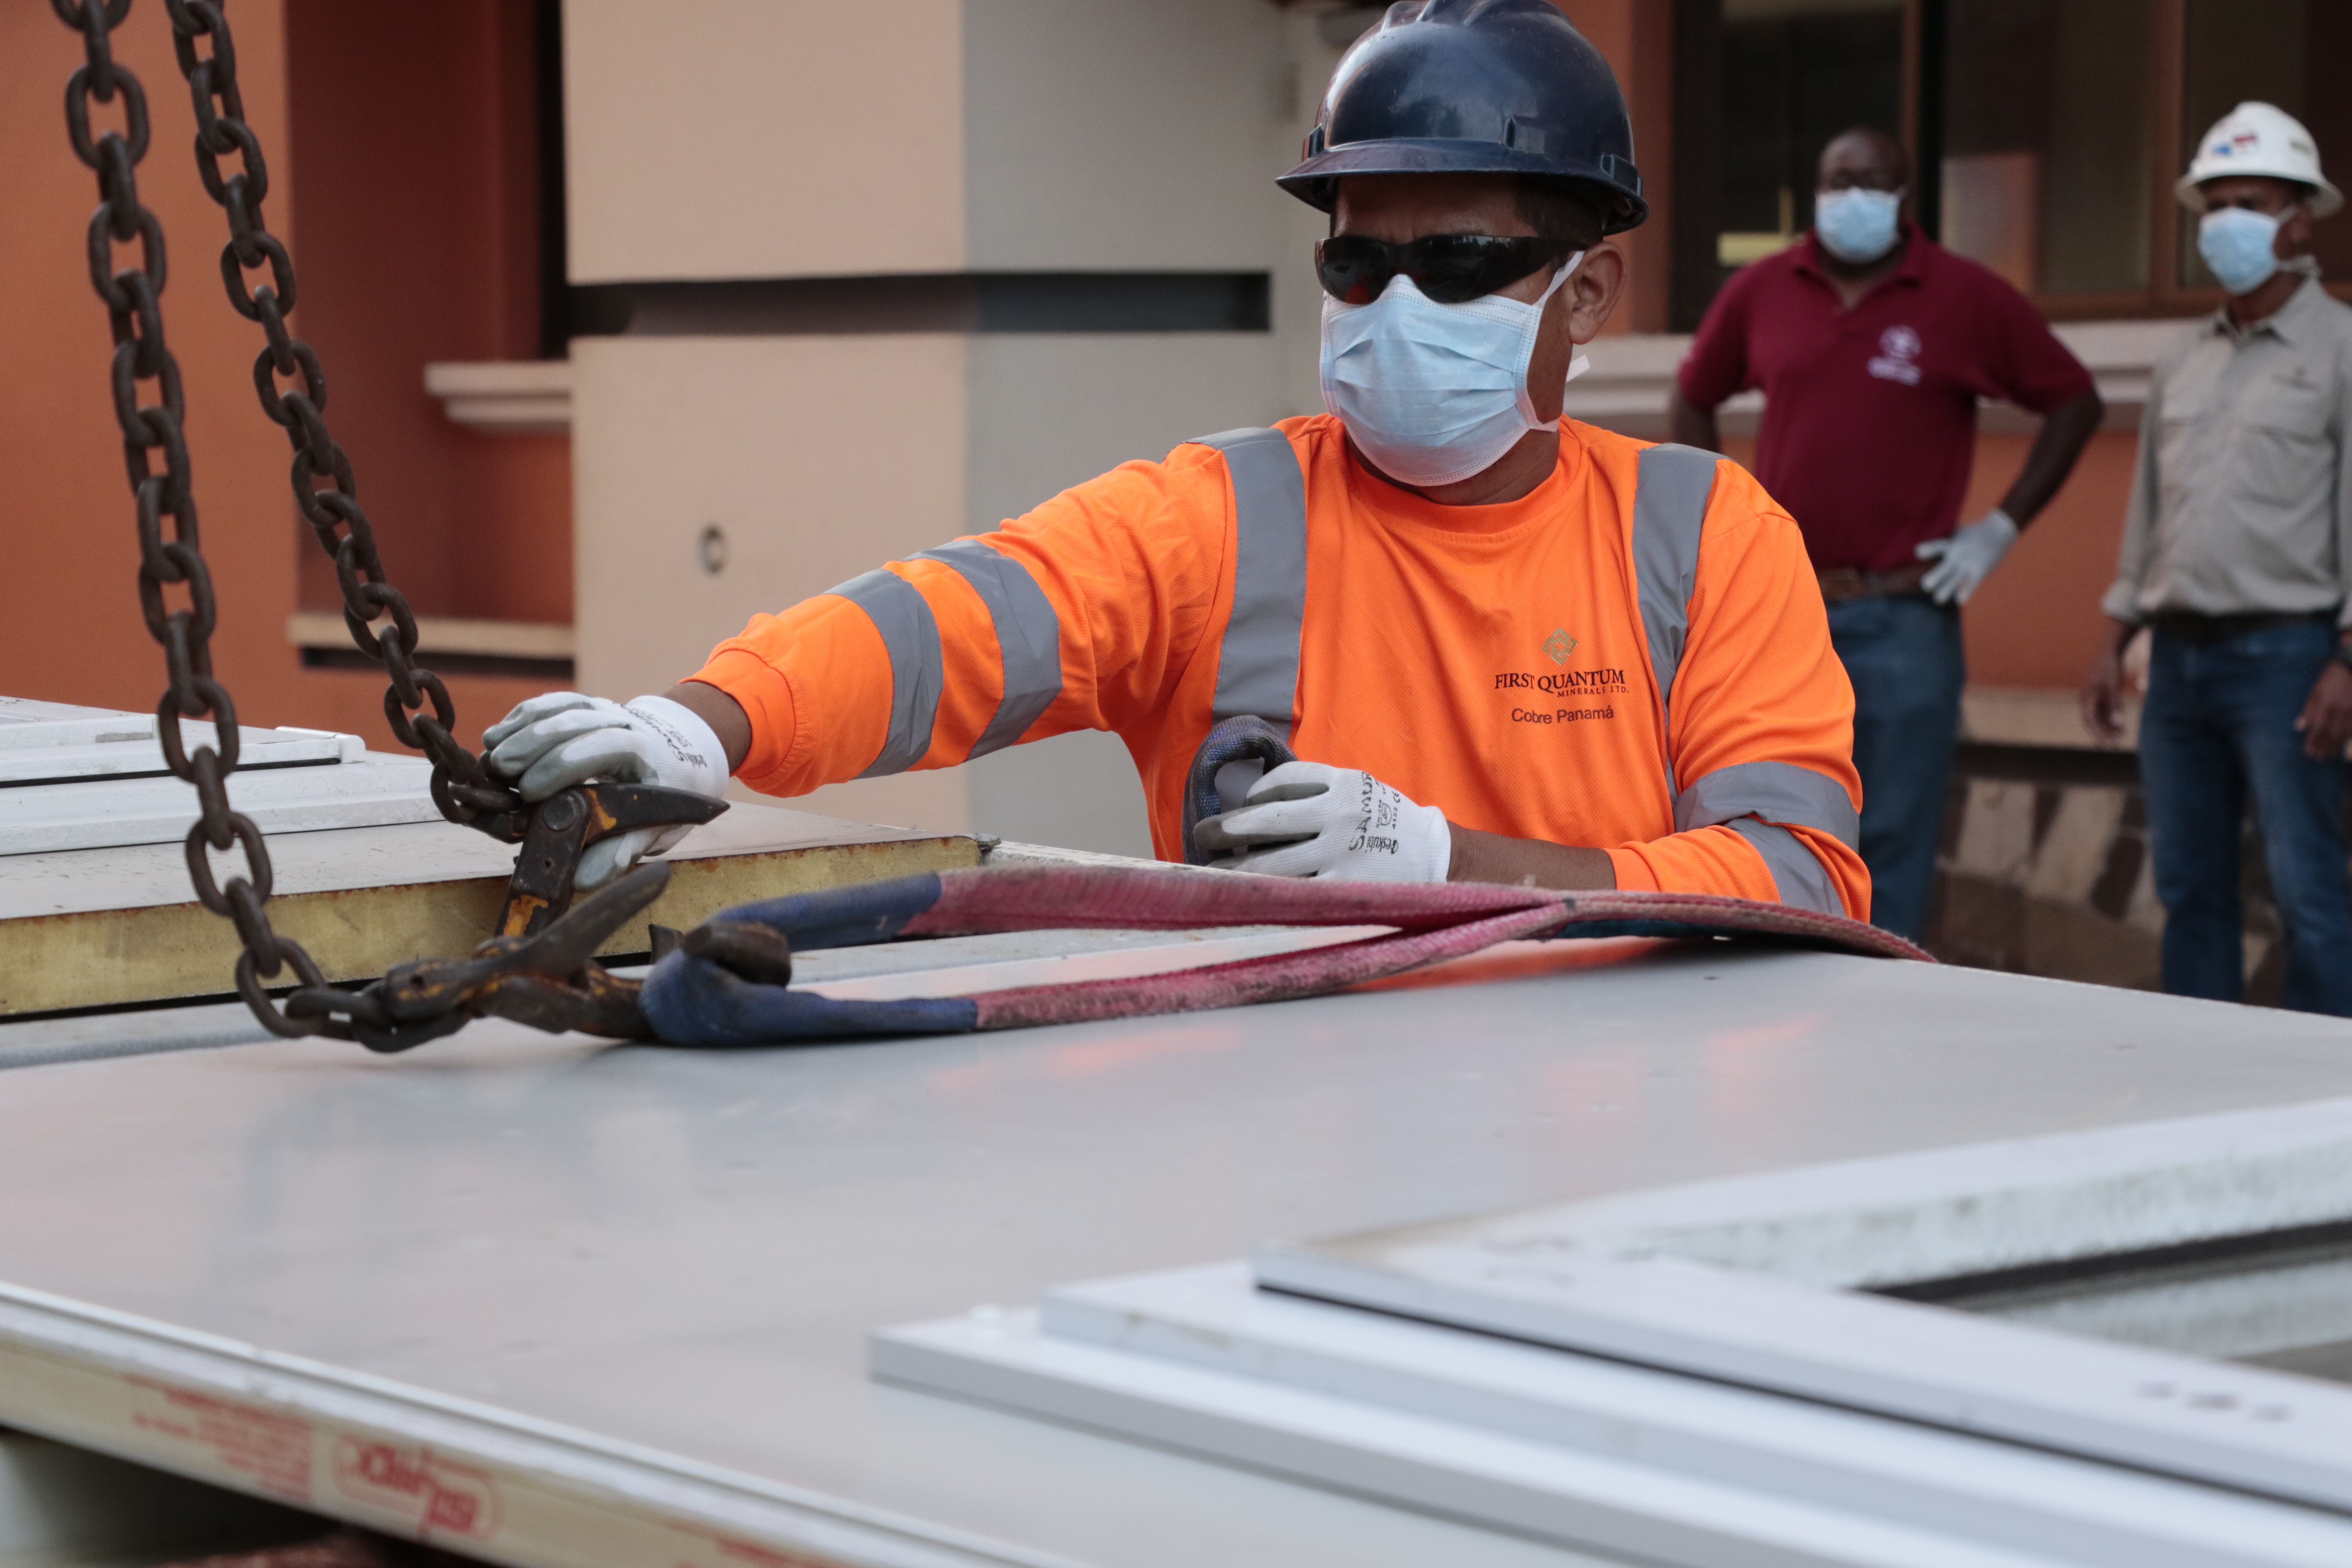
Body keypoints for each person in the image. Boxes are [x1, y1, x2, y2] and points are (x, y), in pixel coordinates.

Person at [485, 0, 1868, 918]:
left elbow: (1800, 879)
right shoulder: (1228, 520)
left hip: (1628, 1143)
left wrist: (1443, 862)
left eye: (1457, 262)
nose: (1395, 304)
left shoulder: (1705, 535)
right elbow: (962, 619)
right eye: (1357, 261)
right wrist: (701, 727)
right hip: (1288, 1143)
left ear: (1589, 290)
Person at [1669, 128, 2103, 943]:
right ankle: (1777, 998)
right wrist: (1713, 514)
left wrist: (2000, 530)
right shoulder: (1764, 287)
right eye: (1838, 181)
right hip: (1783, 609)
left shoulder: (1963, 296)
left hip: (1905, 616)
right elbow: (1695, 392)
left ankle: (1882, 1002)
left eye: (1872, 182)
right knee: (1770, 827)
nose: (1852, 196)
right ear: (1816, 189)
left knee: (1896, 841)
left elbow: (2075, 401)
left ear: (1904, 198)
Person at [2082, 102, 2352, 1015]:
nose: (2227, 222)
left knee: (2309, 893)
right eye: (2216, 205)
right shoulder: (2182, 360)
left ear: (2300, 221)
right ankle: (2205, 1077)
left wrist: (2348, 661)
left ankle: (2327, 1083)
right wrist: (2114, 639)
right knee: (2190, 892)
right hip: (2177, 665)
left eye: (2251, 203)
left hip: (2288, 659)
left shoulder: (2341, 349)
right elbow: (2150, 511)